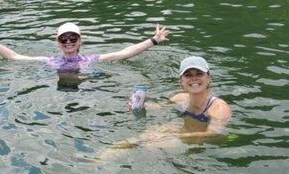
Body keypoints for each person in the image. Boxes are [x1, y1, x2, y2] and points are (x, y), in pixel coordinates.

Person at [99, 56, 232, 158]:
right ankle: (98, 160)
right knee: (139, 139)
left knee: (152, 146)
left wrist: (177, 137)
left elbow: (213, 134)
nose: (194, 79)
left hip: (198, 141)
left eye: (199, 74)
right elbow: (157, 107)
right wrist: (141, 105)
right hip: (181, 130)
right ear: (181, 81)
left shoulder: (219, 107)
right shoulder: (180, 98)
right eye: (188, 75)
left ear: (209, 78)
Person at [0, 21, 170, 73]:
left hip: (87, 85)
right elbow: (13, 57)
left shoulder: (91, 60)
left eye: (72, 38)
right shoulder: (50, 61)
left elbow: (124, 53)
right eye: (63, 38)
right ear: (58, 42)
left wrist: (153, 40)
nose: (68, 42)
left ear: (80, 40)